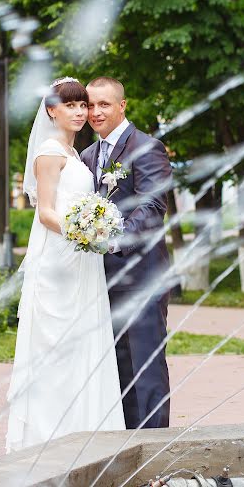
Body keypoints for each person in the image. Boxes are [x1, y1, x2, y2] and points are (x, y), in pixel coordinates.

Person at [6, 77, 125, 453]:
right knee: (56, 349)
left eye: (82, 105)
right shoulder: (49, 152)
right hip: (59, 259)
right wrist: (83, 234)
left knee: (83, 346)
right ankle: (48, 438)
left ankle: (86, 431)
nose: (79, 112)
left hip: (82, 262)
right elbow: (44, 213)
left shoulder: (76, 154)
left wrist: (94, 232)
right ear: (51, 111)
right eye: (70, 106)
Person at [81, 76, 172, 430]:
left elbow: (152, 206)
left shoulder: (146, 147)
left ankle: (153, 457)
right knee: (117, 370)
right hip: (100, 280)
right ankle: (127, 452)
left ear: (122, 105)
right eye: (90, 105)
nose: (95, 112)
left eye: (104, 104)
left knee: (146, 370)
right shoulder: (87, 156)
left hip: (141, 278)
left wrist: (112, 239)